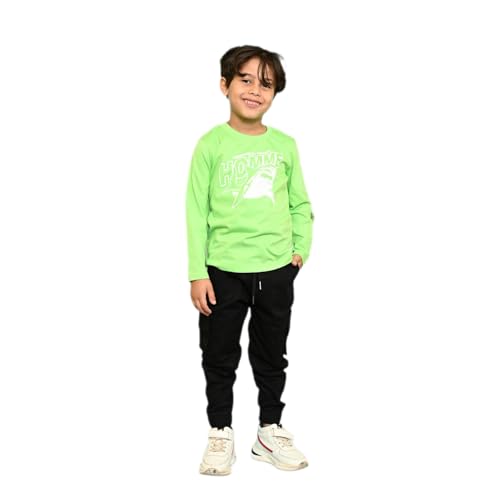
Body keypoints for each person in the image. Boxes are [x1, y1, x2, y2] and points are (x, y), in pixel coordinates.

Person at [185, 45, 314, 475]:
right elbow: (195, 211)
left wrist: (300, 250)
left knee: (272, 354)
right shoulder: (210, 145)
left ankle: (269, 430)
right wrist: (197, 272)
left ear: (274, 94)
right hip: (222, 272)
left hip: (276, 271)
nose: (255, 90)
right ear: (224, 85)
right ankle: (220, 432)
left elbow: (300, 204)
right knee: (218, 354)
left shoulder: (284, 146)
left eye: (267, 84)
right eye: (245, 80)